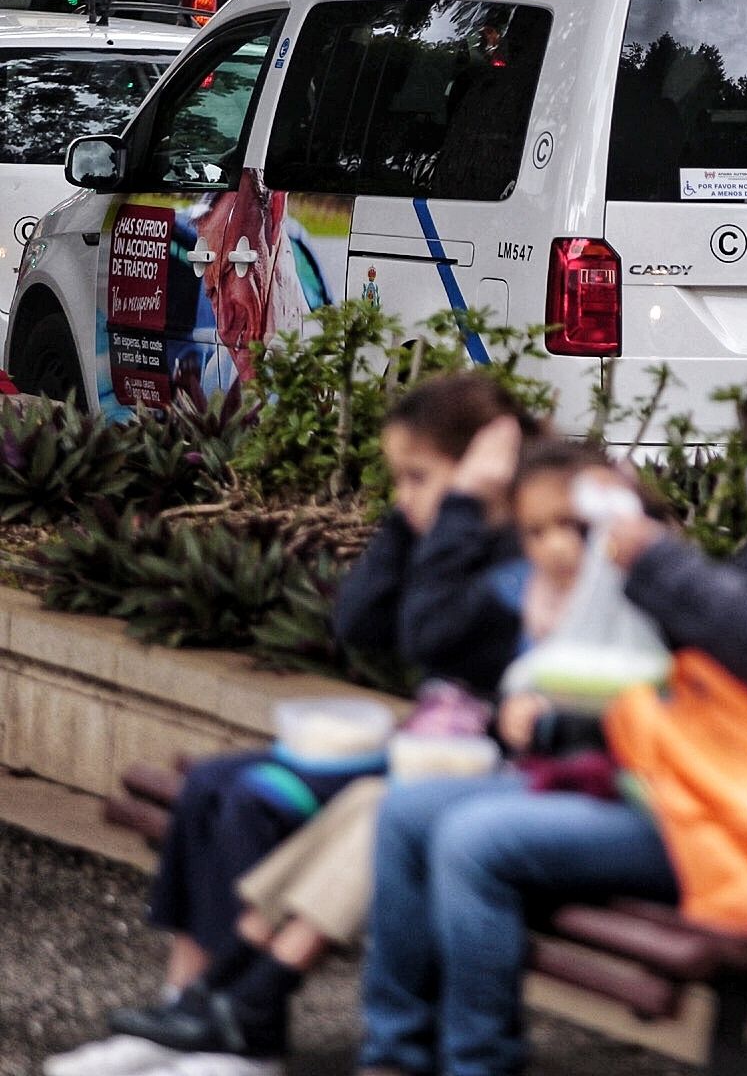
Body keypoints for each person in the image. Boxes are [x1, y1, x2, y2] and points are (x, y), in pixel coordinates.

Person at [357, 336, 747, 1076]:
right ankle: (394, 1057)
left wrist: (661, 564)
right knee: (408, 813)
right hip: (718, 779)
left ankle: (477, 1064)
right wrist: (573, 711)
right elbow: (710, 665)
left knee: (475, 840)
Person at [46, 373, 534, 1076]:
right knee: (210, 784)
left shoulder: (520, 548)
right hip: (430, 752)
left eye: (416, 477)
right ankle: (184, 1006)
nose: (404, 495)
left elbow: (429, 636)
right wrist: (408, 520)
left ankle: (248, 1035)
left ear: (481, 473)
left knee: (259, 798)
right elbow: (358, 623)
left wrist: (455, 510)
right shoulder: (447, 534)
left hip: (468, 772)